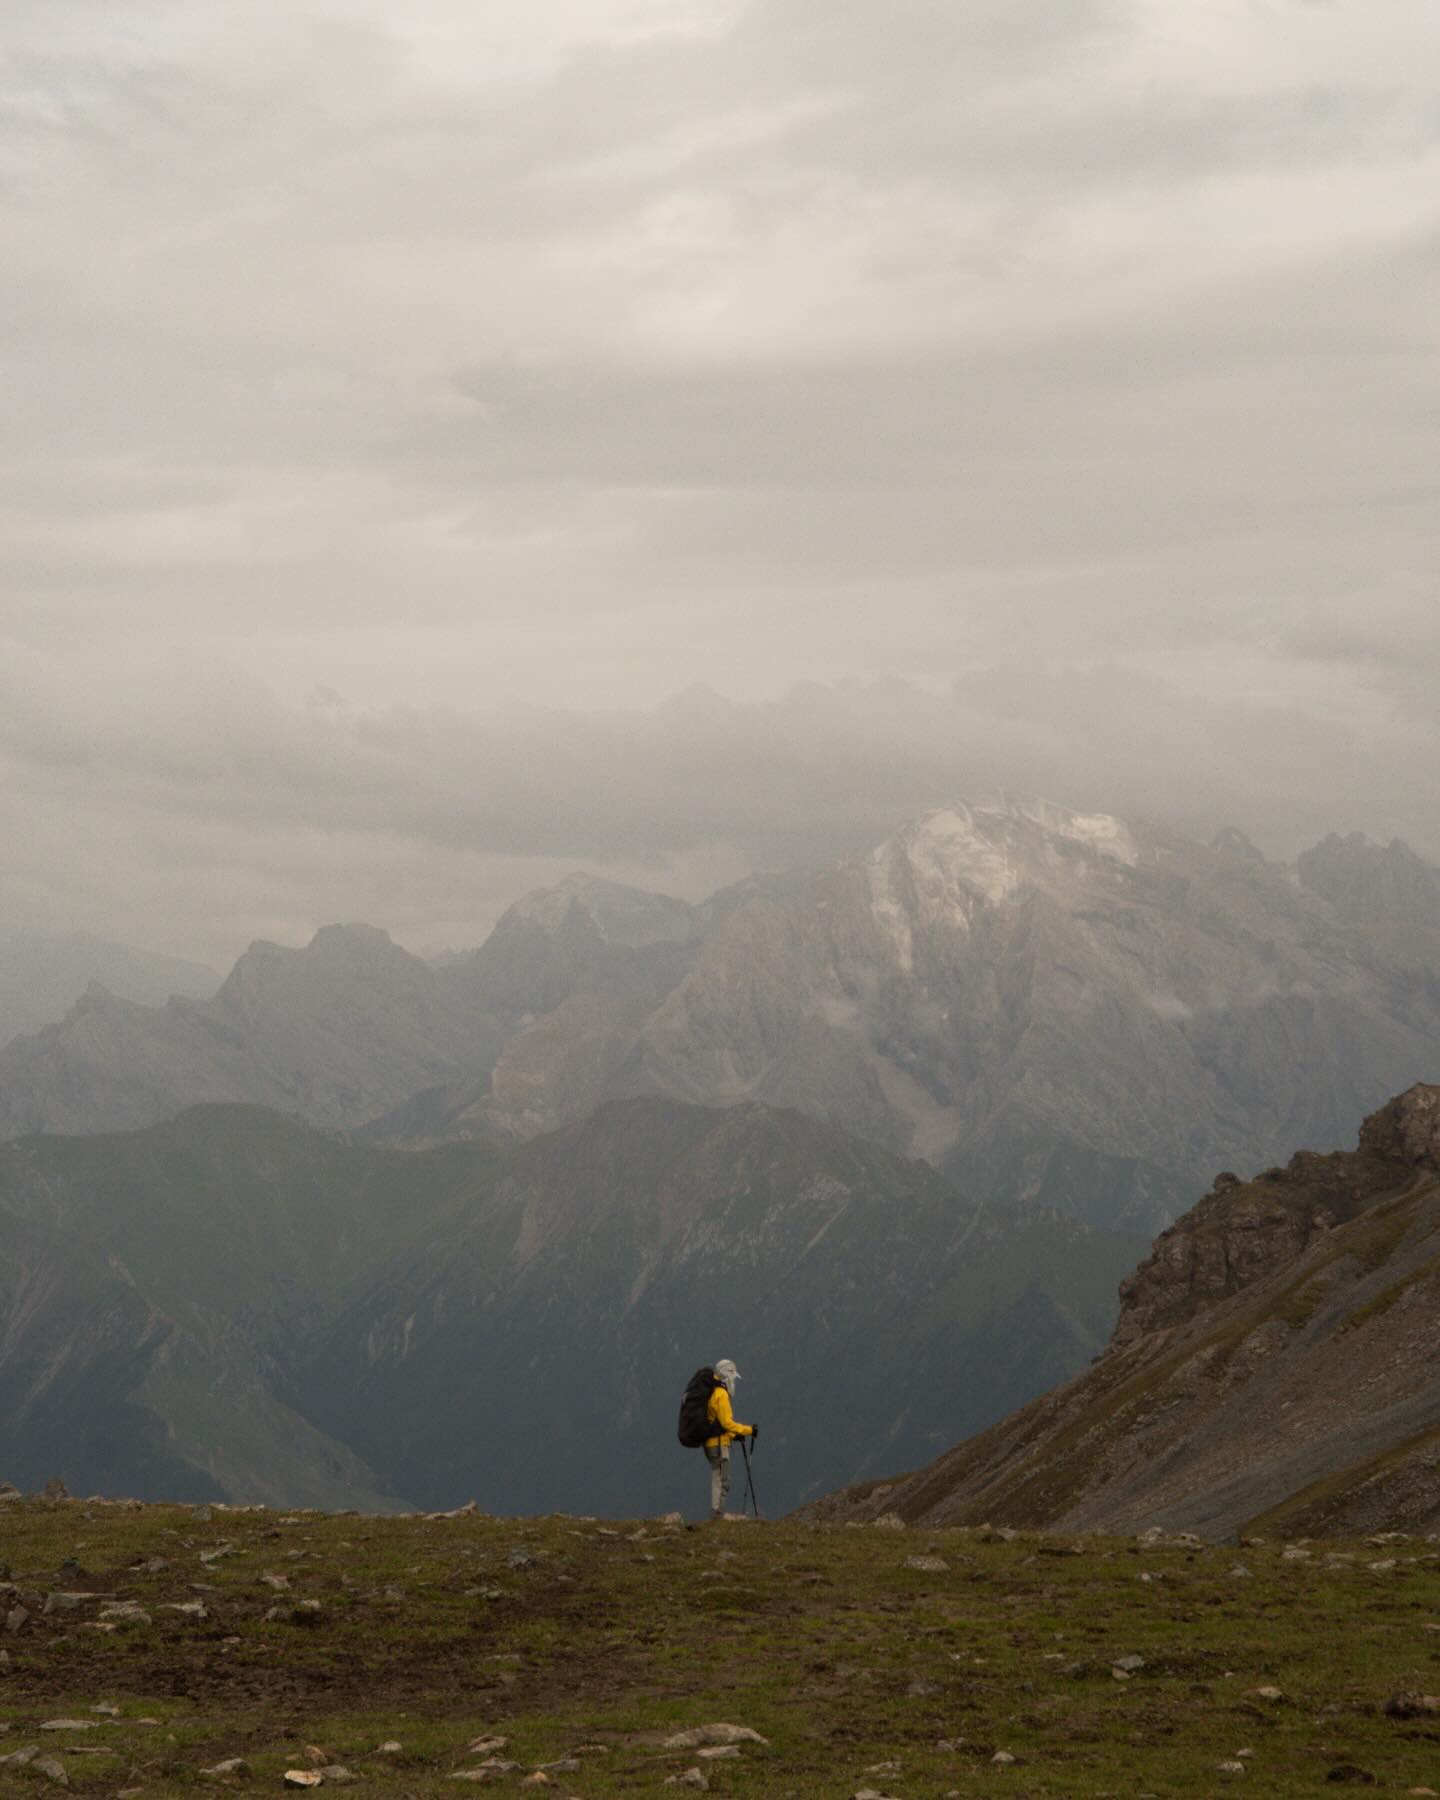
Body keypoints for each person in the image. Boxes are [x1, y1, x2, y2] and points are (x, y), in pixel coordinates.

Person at [703, 1358, 756, 1518]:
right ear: (727, 1374)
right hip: (719, 1445)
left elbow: (719, 1422)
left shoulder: (712, 1392)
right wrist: (749, 1430)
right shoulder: (721, 1394)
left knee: (717, 1477)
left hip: (711, 1443)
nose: (734, 1381)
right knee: (722, 1481)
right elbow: (726, 1423)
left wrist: (734, 1435)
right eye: (733, 1376)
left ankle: (716, 1514)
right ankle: (717, 1516)